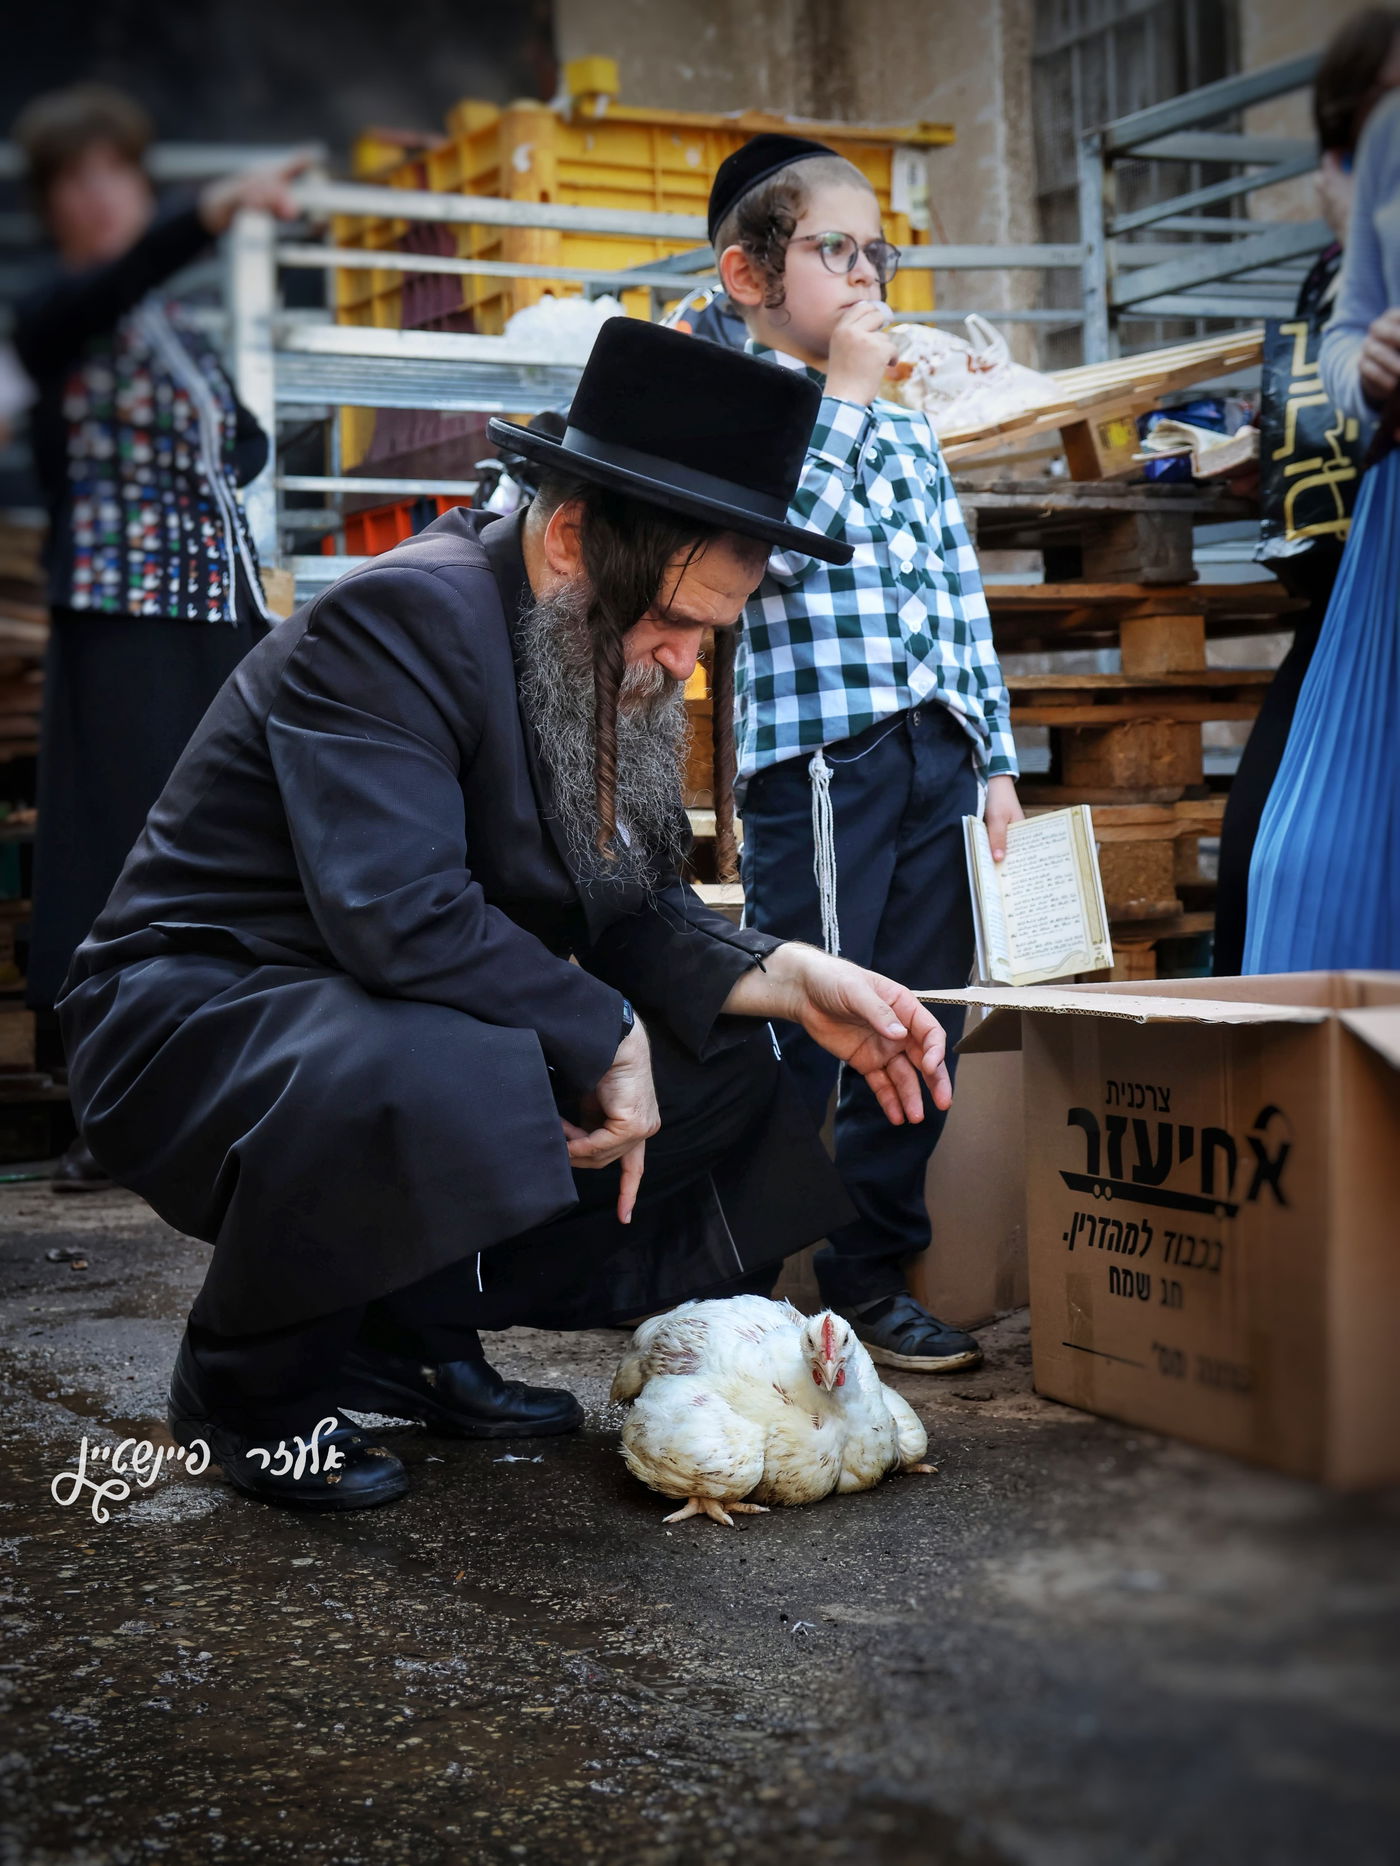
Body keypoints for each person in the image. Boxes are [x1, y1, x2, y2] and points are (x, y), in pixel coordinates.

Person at [58, 318, 958, 1513]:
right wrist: (604, 1030)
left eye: (708, 635)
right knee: (453, 1057)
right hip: (194, 1016)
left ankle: (404, 1330)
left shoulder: (595, 645)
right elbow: (400, 914)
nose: (685, 662)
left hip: (367, 1008)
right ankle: (245, 1391)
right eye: (673, 623)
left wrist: (789, 975)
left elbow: (632, 907)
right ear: (575, 537)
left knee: (727, 1066)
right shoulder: (399, 620)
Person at [706, 135, 1021, 1374]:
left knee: (919, 1016)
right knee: (808, 1016)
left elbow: (956, 593)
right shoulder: (752, 407)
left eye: (873, 250)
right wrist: (838, 393)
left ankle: (870, 1268)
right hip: (823, 760)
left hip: (936, 750)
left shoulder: (898, 418)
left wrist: (994, 757)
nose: (863, 274)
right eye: (833, 250)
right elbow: (770, 554)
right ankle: (731, 1279)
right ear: (748, 274)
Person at [9, 84, 305, 1185]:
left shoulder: (170, 326)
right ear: (54, 205)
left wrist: (209, 474)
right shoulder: (61, 315)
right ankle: (108, 1114)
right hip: (124, 620)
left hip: (212, 613)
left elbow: (248, 439)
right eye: (77, 181)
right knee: (119, 855)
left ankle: (224, 1088)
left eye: (117, 175)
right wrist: (216, 211)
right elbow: (119, 285)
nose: (103, 198)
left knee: (228, 846)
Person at [1213, 7, 1400, 975]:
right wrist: (1352, 384)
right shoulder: (1330, 271)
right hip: (1352, 582)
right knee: (1278, 862)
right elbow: (1345, 362)